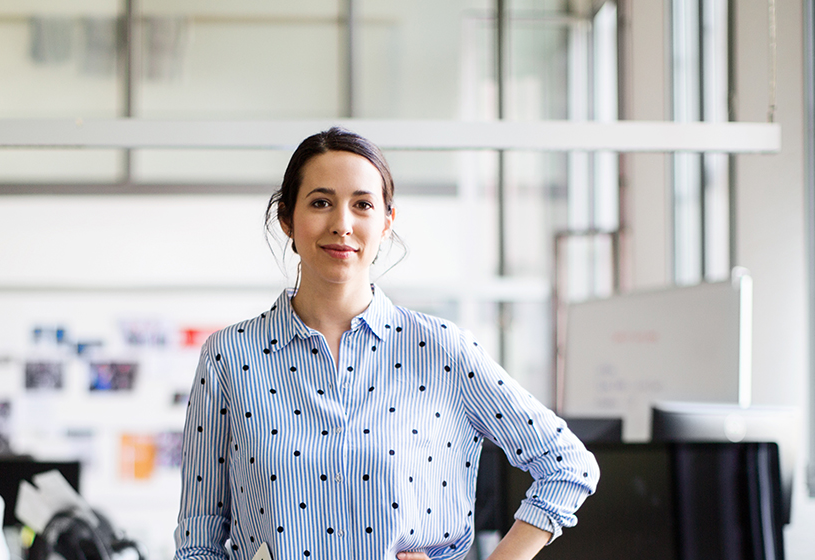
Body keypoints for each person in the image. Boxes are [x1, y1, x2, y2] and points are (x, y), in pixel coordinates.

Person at [174, 127, 599, 560]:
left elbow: (568, 466)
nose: (342, 224)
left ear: (386, 221)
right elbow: (198, 539)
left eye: (362, 205)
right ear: (287, 219)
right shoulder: (231, 356)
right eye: (321, 203)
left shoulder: (441, 351)